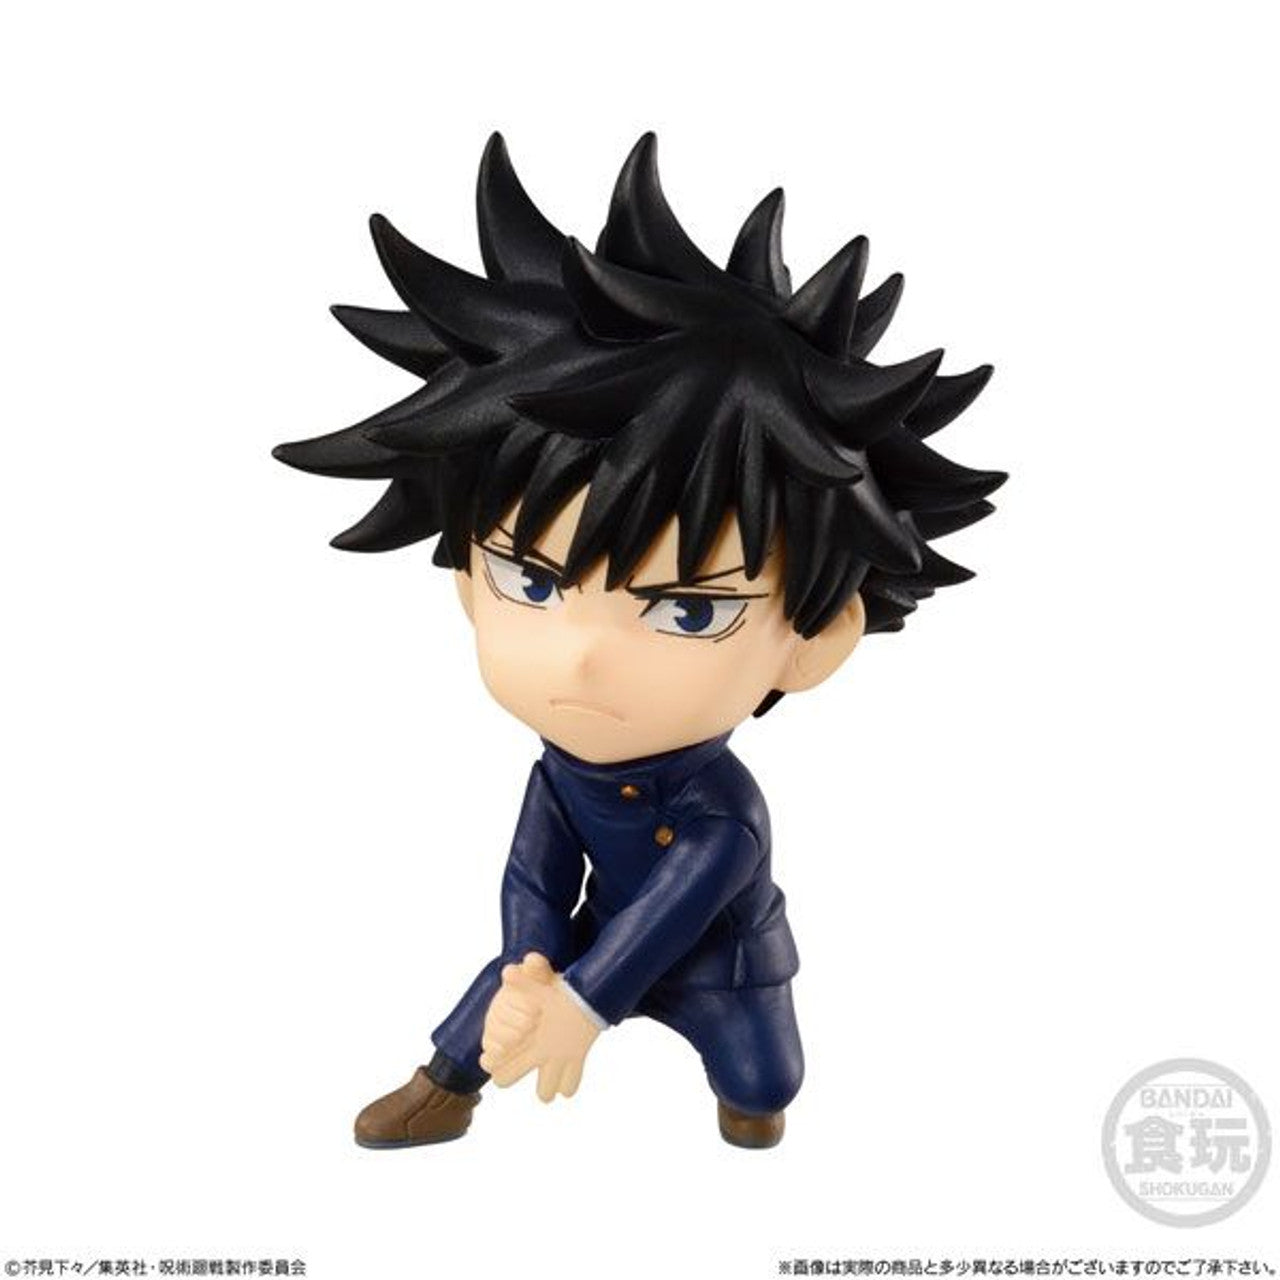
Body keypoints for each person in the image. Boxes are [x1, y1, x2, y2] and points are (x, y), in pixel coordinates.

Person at [273, 132, 1003, 1148]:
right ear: (467, 586)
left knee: (764, 1079)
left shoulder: (725, 813)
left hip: (719, 964)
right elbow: (534, 876)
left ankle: (744, 1109)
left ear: (813, 641)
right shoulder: (560, 768)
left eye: (688, 609)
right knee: (494, 1003)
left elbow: (682, 901)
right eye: (529, 581)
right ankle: (444, 1085)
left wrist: (581, 1004)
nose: (582, 655)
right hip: (583, 947)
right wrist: (532, 968)